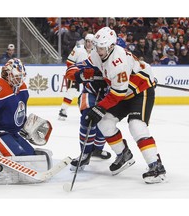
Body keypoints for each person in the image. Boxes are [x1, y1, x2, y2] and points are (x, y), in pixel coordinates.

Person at [66, 27, 166, 184]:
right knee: (104, 122)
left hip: (140, 90)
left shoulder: (118, 61)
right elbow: (83, 67)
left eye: (101, 47)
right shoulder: (99, 52)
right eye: (97, 46)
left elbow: (117, 94)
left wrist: (99, 108)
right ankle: (123, 154)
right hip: (123, 93)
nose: (98, 50)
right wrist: (78, 73)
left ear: (111, 46)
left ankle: (156, 166)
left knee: (136, 125)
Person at [60, 34, 111, 167]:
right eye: (88, 41)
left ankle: (97, 149)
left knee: (105, 122)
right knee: (88, 117)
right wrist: (80, 75)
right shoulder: (91, 56)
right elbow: (70, 68)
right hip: (91, 90)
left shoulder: (117, 58)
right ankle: (86, 152)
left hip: (109, 95)